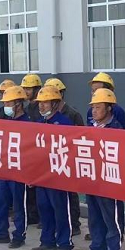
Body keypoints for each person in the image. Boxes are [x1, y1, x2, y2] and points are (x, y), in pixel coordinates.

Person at [79, 88, 124, 250]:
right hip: (93, 178)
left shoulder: (117, 129)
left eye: (98, 107)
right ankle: (97, 248)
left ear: (109, 108)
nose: (94, 111)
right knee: (94, 216)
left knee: (111, 218)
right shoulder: (91, 128)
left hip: (109, 180)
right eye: (93, 107)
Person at [0, 86, 32, 249]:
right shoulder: (4, 121)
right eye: (4, 103)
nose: (6, 106)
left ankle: (19, 235)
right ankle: (0, 232)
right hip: (3, 168)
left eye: (8, 103)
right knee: (0, 200)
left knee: (19, 204)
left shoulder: (28, 122)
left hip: (19, 170)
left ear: (19, 104)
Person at [30, 86, 74, 250]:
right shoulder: (40, 123)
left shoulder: (65, 123)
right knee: (44, 208)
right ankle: (47, 241)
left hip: (59, 174)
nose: (41, 106)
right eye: (40, 103)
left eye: (45, 102)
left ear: (55, 104)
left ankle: (64, 243)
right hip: (43, 175)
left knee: (60, 209)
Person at [45, 77, 85, 237]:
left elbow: (80, 138)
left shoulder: (72, 115)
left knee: (70, 196)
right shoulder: (44, 118)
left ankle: (73, 224)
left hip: (67, 161)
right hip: (51, 161)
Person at [20, 74, 44, 228]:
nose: (26, 92)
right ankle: (32, 215)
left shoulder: (39, 109)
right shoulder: (27, 109)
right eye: (25, 88)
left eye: (29, 88)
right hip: (28, 153)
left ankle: (41, 216)